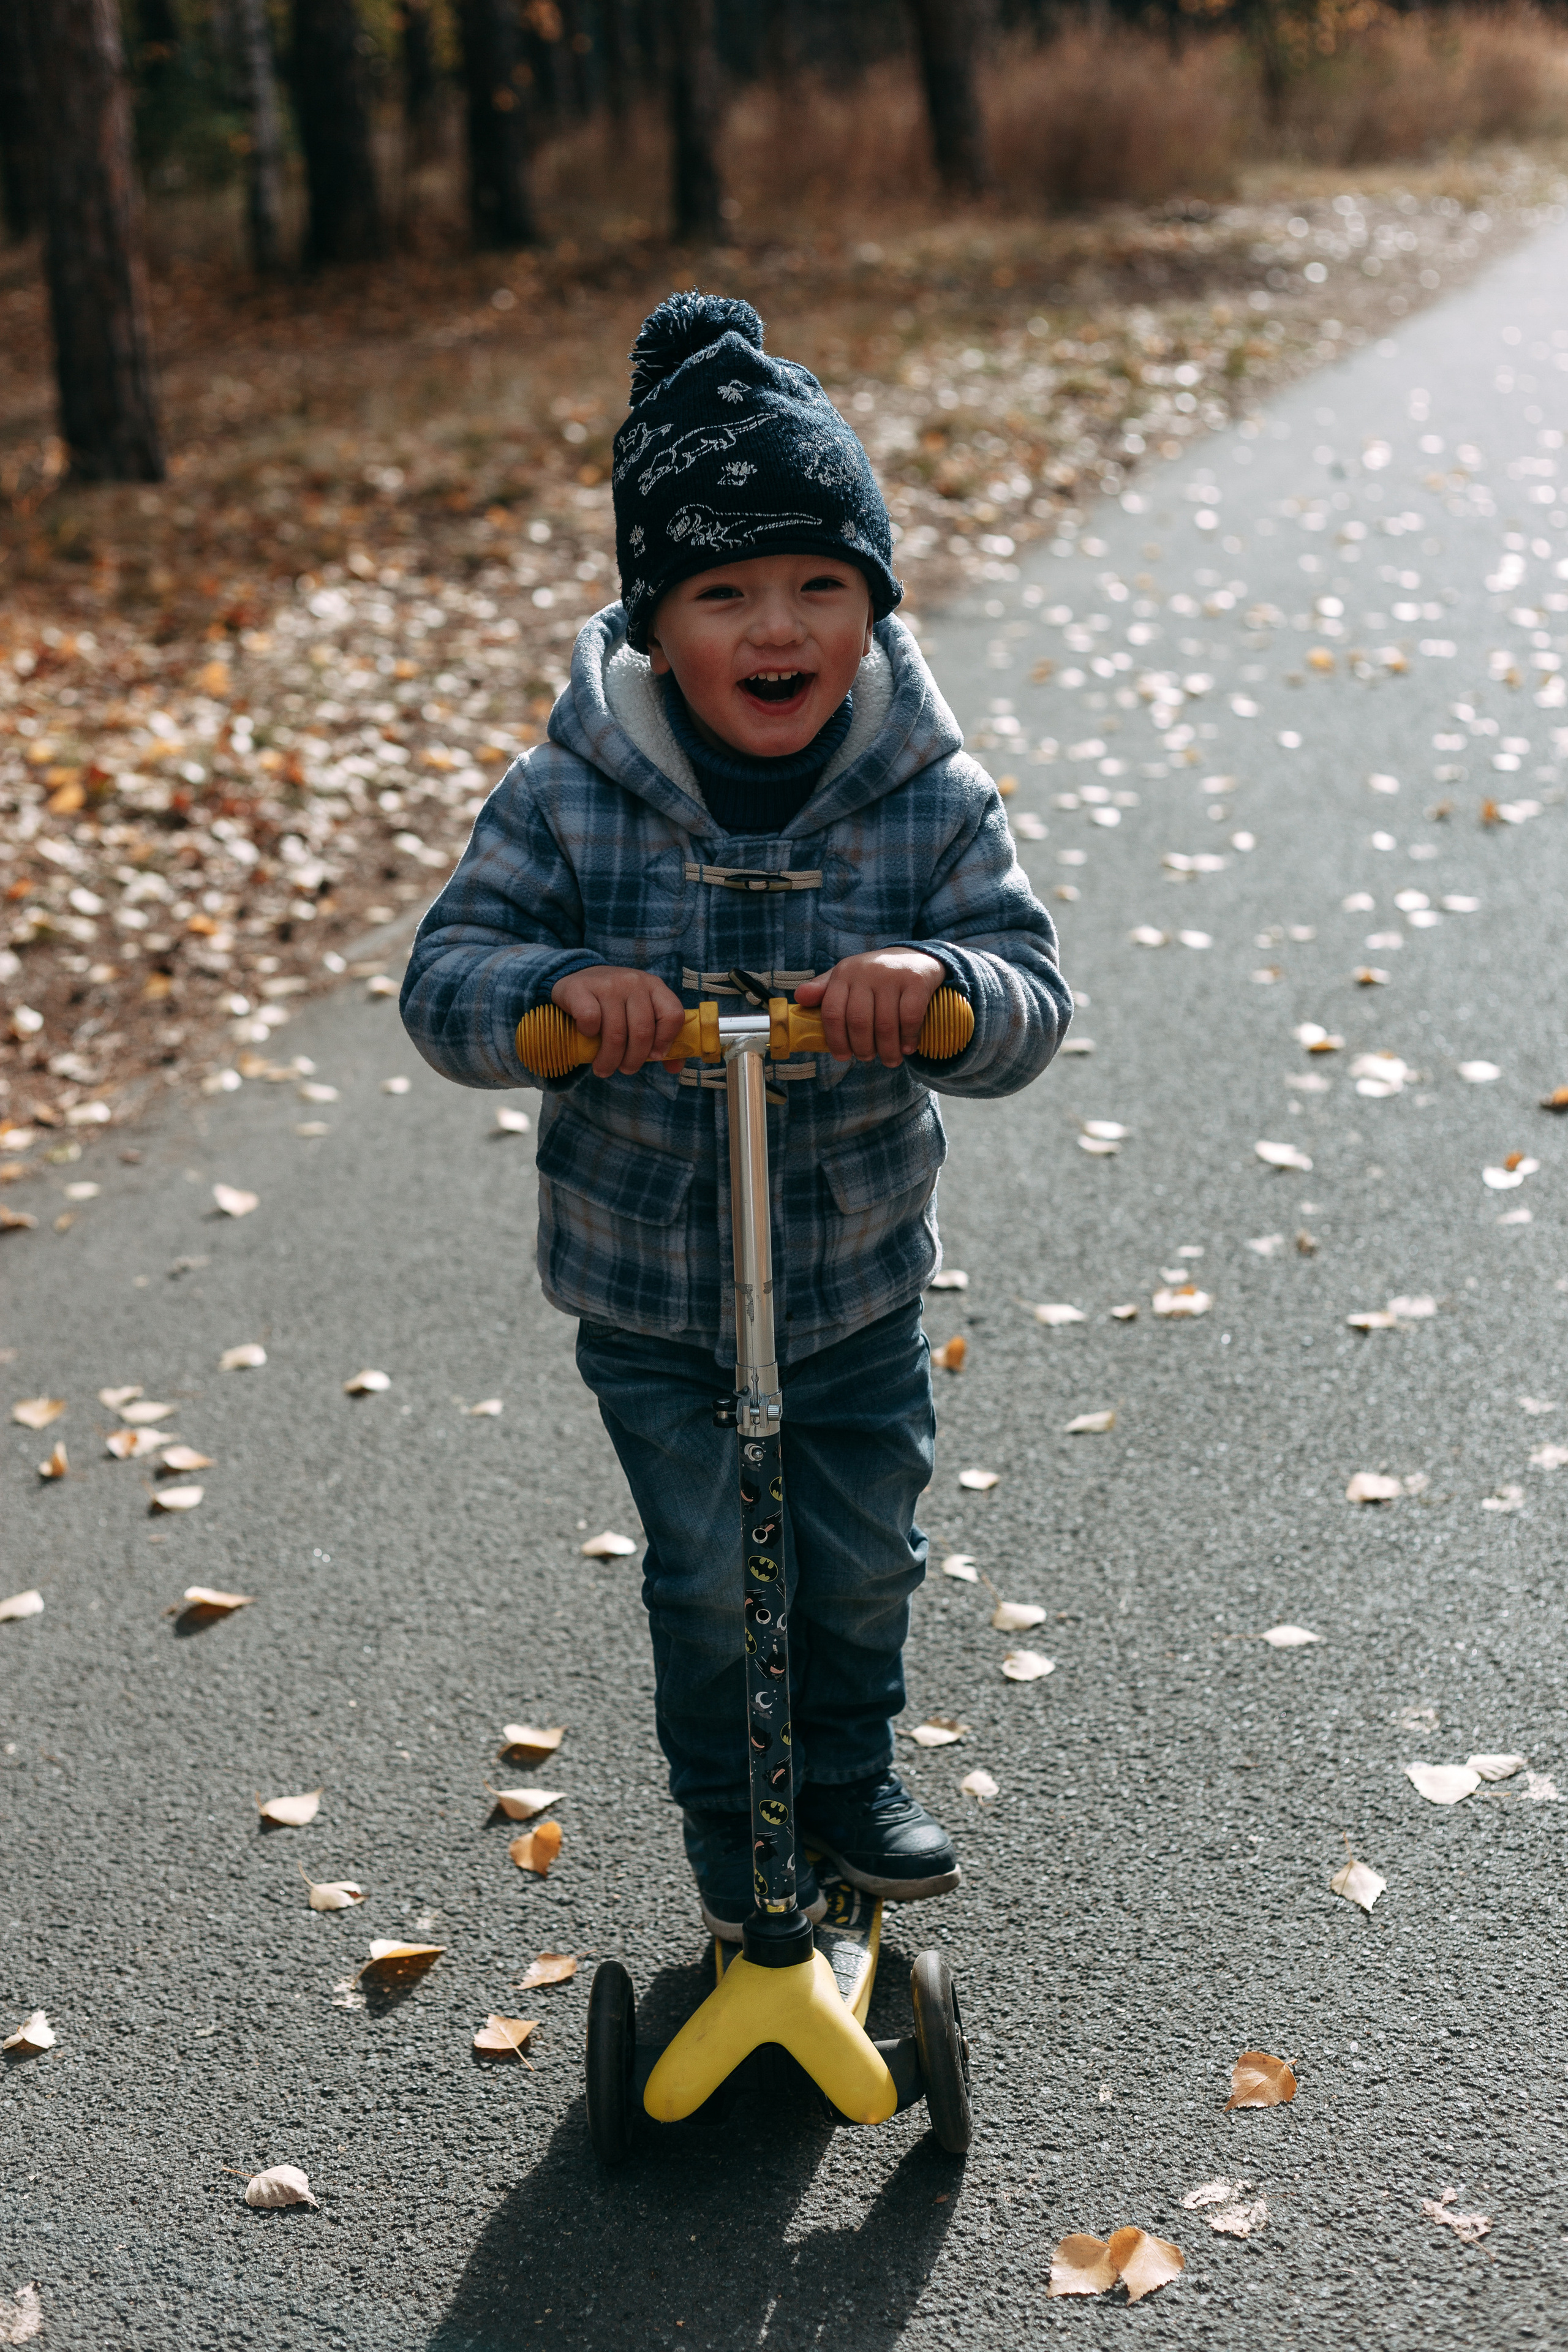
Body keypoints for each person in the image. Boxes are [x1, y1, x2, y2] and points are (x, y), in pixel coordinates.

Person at [402, 291, 1070, 1941]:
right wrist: (561, 1007)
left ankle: (843, 1775)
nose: (780, 627)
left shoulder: (925, 790)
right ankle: (738, 1853)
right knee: (711, 1589)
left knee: (855, 1565)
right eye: (727, 592)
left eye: (821, 586)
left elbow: (1028, 992)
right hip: (654, 1297)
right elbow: (445, 982)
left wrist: (941, 988)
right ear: (655, 625)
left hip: (848, 1285)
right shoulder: (572, 792)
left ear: (873, 606)